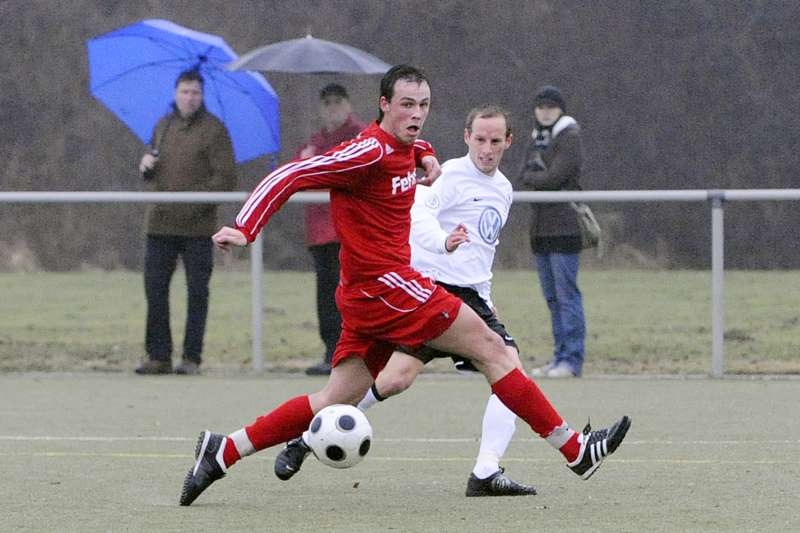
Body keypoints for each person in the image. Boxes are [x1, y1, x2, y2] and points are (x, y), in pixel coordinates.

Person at [179, 65, 630, 507]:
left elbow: (408, 149)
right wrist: (245, 227)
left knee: (334, 398)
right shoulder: (367, 152)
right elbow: (291, 174)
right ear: (383, 105)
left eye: (424, 105)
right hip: (388, 288)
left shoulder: (402, 146)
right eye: (407, 105)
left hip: (370, 295)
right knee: (493, 348)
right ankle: (576, 451)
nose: (416, 114)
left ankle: (224, 450)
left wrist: (426, 152)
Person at [278, 103, 536, 497]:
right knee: (409, 378)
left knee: (430, 376)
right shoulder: (449, 176)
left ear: (508, 142)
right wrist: (438, 246)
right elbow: (418, 211)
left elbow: (481, 252)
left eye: (495, 141)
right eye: (480, 139)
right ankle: (308, 438)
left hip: (469, 298)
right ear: (467, 137)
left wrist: (486, 298)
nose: (487, 148)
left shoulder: (503, 189)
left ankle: (486, 470)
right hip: (432, 294)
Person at [134, 69, 237, 376]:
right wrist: (146, 168)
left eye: (195, 92)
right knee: (155, 289)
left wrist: (192, 202)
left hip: (198, 228)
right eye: (184, 91)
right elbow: (153, 174)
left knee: (197, 292)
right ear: (175, 93)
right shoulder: (162, 127)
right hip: (160, 224)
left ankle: (191, 357)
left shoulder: (215, 130)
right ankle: (158, 355)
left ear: (202, 95)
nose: (189, 97)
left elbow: (226, 179)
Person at [515, 85, 586, 379]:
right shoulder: (536, 138)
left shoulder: (569, 137)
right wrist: (538, 175)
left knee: (567, 295)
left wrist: (538, 175)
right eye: (540, 107)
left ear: (560, 109)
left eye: (550, 107)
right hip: (540, 230)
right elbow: (523, 175)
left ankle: (572, 358)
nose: (545, 112)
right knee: (552, 297)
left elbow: (555, 177)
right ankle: (559, 356)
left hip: (564, 228)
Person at [297, 84, 366, 376]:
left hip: (352, 231)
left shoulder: (361, 137)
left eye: (338, 102)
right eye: (327, 103)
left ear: (348, 106)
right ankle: (331, 351)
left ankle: (358, 353)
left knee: (354, 295)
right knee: (326, 294)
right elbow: (299, 176)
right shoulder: (313, 143)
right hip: (321, 232)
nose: (333, 108)